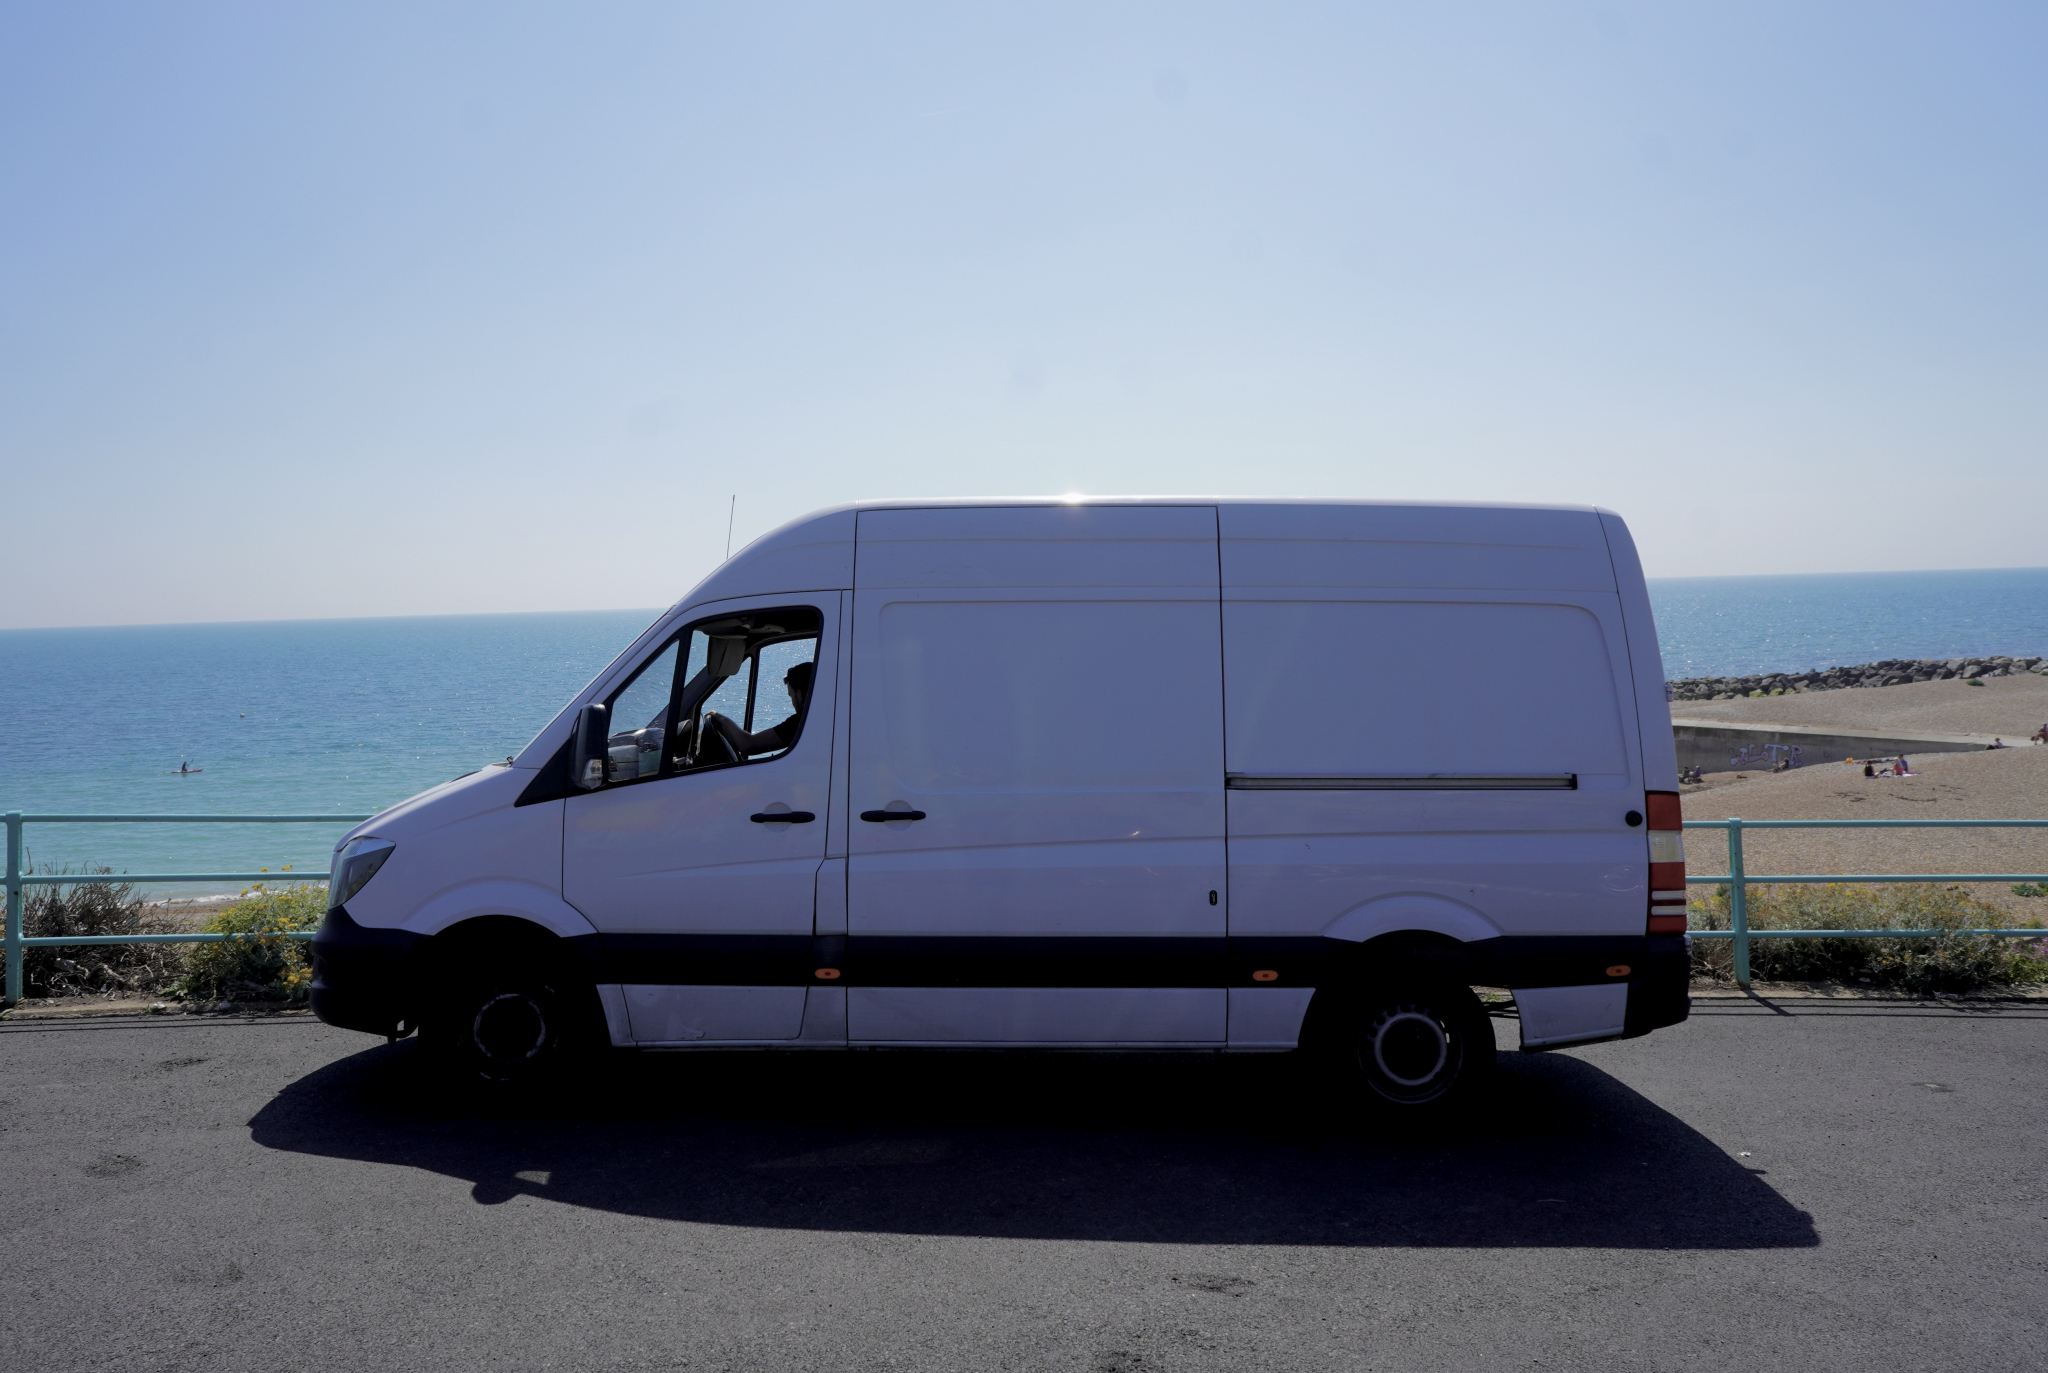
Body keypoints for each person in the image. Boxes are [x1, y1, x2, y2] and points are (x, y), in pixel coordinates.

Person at [703, 661, 814, 758]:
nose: (792, 703)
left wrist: (720, 718)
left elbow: (748, 745)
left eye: (791, 696)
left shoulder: (802, 722)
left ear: (799, 694)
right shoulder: (819, 718)